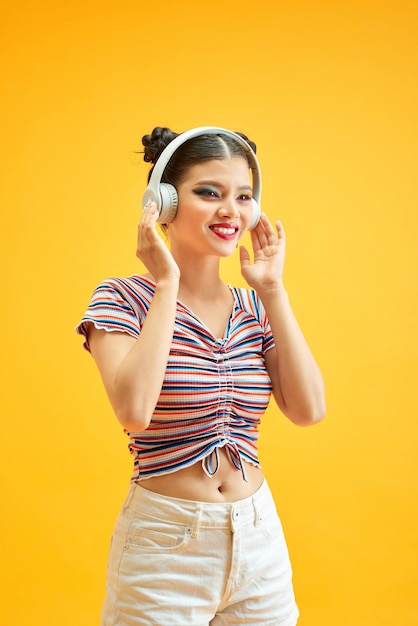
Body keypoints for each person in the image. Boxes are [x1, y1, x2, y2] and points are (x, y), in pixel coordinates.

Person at [77, 125, 326, 626]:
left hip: (258, 538)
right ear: (164, 203)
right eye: (208, 193)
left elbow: (309, 410)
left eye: (243, 196)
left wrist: (274, 290)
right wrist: (166, 282)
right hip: (166, 544)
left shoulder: (254, 306)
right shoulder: (121, 298)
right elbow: (135, 411)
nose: (230, 210)